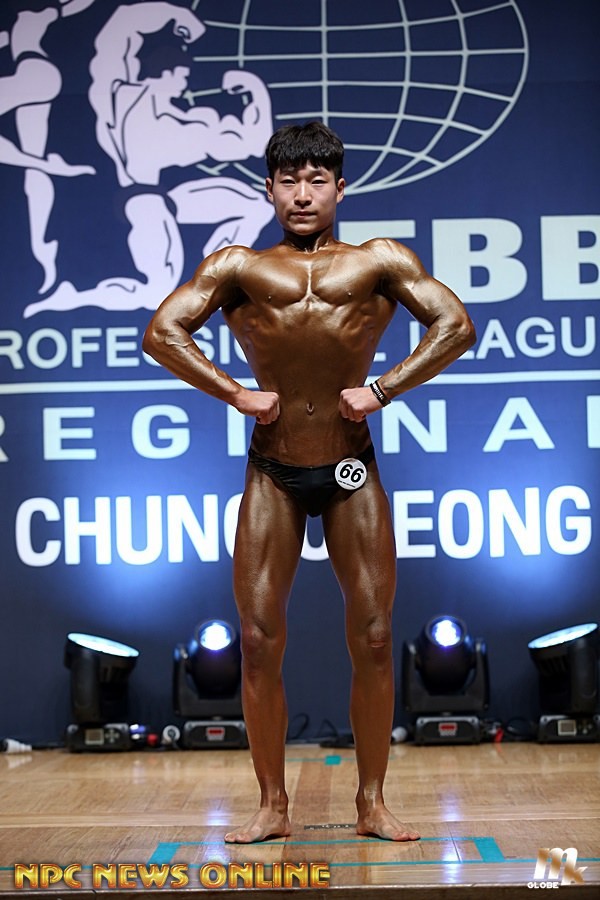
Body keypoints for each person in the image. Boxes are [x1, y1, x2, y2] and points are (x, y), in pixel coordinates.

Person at [143, 121, 476, 844]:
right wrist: (236, 392)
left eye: (316, 181)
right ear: (269, 190)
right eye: (289, 181)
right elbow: (162, 332)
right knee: (257, 638)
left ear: (340, 188)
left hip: (352, 467)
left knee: (377, 636)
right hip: (275, 470)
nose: (302, 194)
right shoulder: (237, 267)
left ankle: (372, 802)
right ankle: (272, 804)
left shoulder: (379, 260)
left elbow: (455, 325)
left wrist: (383, 388)